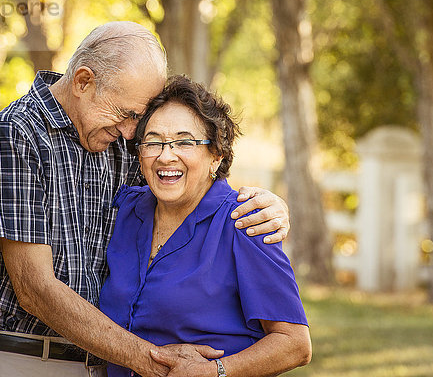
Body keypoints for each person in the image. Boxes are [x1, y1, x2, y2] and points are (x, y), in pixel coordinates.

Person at [0, 21, 291, 377]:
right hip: (22, 360)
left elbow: (185, 181)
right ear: (83, 81)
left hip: (99, 362)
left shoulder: (113, 140)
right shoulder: (16, 134)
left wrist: (266, 205)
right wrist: (157, 363)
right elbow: (34, 290)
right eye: (128, 114)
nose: (133, 133)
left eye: (139, 119)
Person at [99, 75, 311, 377]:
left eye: (185, 142)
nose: (166, 155)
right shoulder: (126, 209)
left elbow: (295, 344)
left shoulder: (245, 222)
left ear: (216, 155)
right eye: (154, 142)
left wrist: (216, 371)